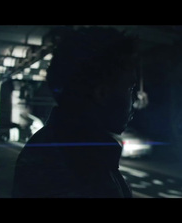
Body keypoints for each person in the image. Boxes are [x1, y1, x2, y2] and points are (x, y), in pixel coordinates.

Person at [12, 26, 139, 198]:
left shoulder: (71, 152)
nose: (135, 101)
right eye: (129, 88)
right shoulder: (71, 167)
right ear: (101, 93)